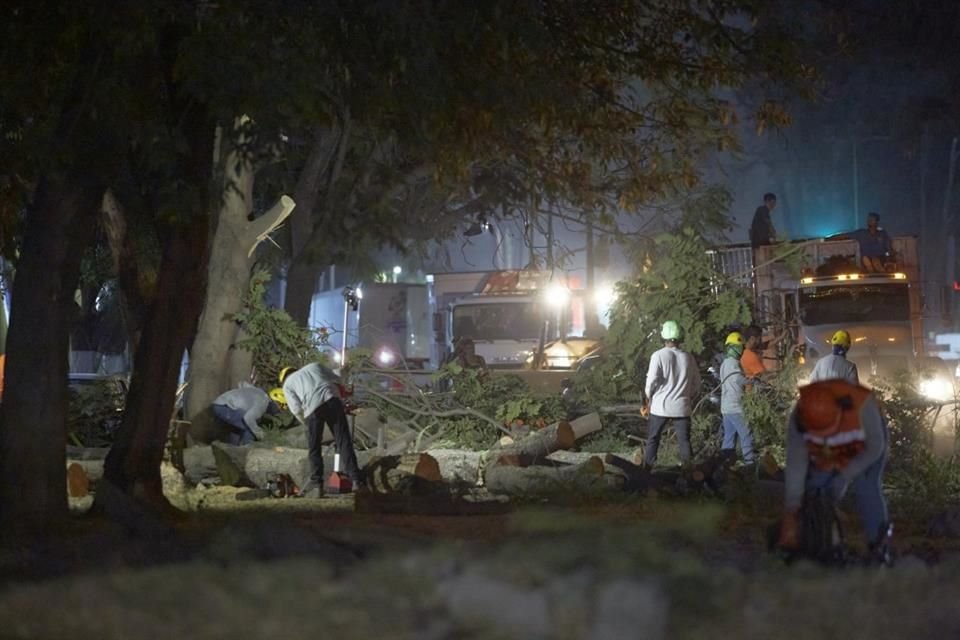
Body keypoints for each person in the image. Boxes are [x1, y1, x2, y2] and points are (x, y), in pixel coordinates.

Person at [777, 380, 891, 563]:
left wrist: (845, 476)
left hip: (865, 445)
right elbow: (796, 465)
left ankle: (879, 546)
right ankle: (821, 544)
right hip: (830, 450)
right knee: (815, 490)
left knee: (866, 488)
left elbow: (875, 448)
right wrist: (792, 507)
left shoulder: (863, 405)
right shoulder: (799, 420)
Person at [277, 362, 364, 497]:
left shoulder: (287, 385)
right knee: (343, 441)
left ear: (283, 378)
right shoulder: (314, 366)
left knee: (314, 448)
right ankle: (356, 481)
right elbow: (337, 376)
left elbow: (296, 409)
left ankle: (317, 486)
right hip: (332, 400)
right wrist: (345, 370)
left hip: (312, 409)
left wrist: (305, 422)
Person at [643, 320, 701, 467]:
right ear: (680, 337)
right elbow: (696, 384)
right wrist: (689, 396)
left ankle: (648, 469)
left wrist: (648, 397)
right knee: (684, 442)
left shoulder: (658, 355)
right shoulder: (688, 357)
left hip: (660, 407)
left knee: (653, 439)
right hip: (682, 406)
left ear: (663, 337)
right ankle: (689, 472)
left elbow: (651, 382)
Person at [720, 332, 754, 464]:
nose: (742, 350)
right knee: (746, 434)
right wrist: (751, 380)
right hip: (735, 407)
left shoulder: (725, 363)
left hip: (726, 407)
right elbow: (737, 379)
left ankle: (724, 464)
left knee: (729, 437)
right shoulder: (732, 363)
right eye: (741, 347)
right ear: (735, 347)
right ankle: (749, 463)